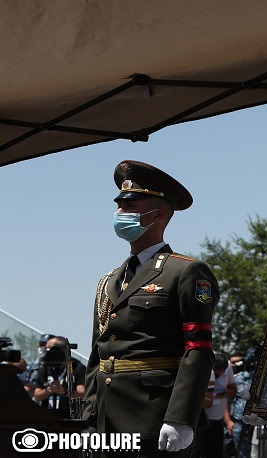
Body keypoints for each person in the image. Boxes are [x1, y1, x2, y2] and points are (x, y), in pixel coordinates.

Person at [83, 160, 220, 457]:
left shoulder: (185, 272)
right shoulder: (109, 280)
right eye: (119, 205)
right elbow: (100, 352)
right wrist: (90, 414)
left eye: (130, 206)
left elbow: (197, 349)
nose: (120, 212)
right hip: (108, 419)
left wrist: (181, 418)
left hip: (154, 416)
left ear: (158, 214)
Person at [33, 335, 86, 418]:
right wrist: (48, 390)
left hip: (71, 419)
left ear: (63, 349)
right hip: (47, 418)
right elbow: (37, 396)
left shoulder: (77, 368)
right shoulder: (44, 368)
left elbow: (82, 395)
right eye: (46, 348)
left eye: (50, 348)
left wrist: (65, 392)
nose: (47, 351)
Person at [197, 353, 236, 458]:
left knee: (216, 453)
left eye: (220, 375)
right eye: (216, 374)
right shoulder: (205, 367)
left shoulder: (227, 367)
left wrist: (226, 393)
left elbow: (233, 390)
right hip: (201, 421)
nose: (217, 377)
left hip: (217, 421)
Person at [225, 351, 254, 458]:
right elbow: (225, 400)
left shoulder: (253, 377)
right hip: (237, 421)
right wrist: (228, 421)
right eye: (234, 362)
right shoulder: (228, 379)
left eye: (240, 361)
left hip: (255, 421)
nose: (238, 364)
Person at [23, 333, 55, 398]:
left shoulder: (61, 367)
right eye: (42, 345)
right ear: (38, 346)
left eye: (48, 346)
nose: (44, 347)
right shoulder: (30, 367)